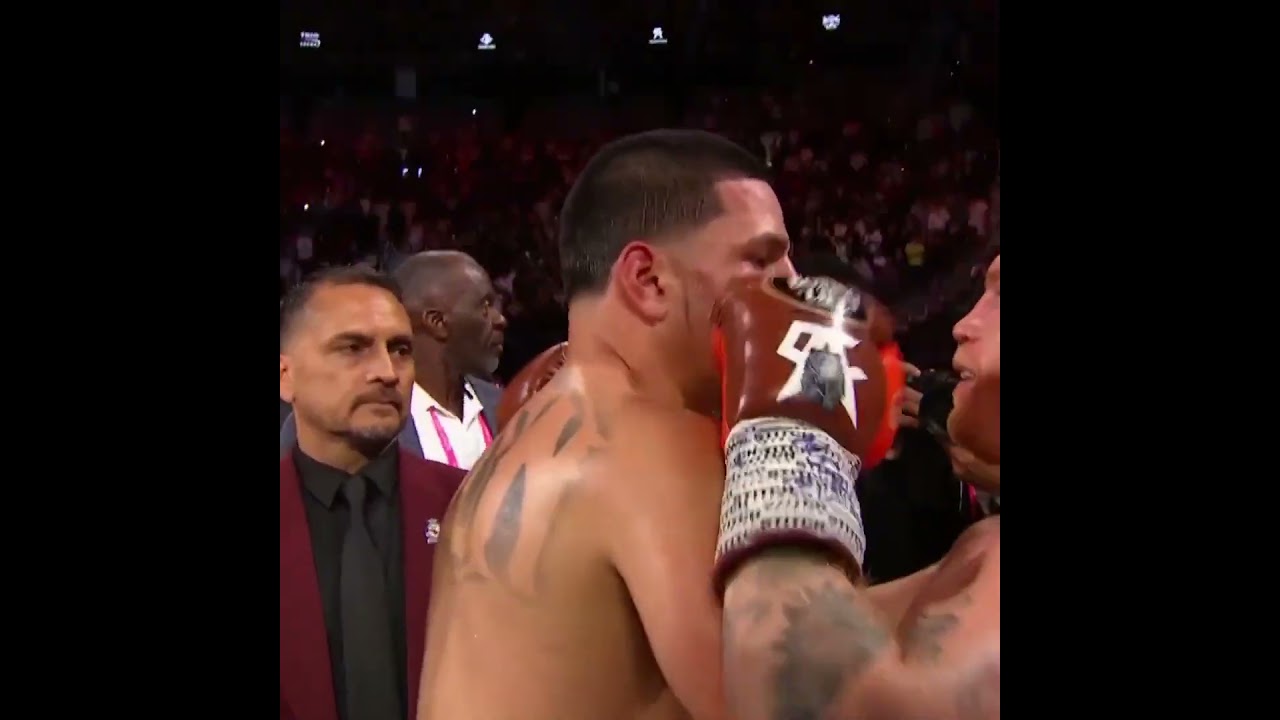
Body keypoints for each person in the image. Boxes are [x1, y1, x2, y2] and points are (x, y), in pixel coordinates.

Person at [417, 129, 798, 720]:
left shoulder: (520, 438)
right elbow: (789, 703)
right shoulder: (652, 446)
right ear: (647, 280)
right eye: (761, 258)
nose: (792, 283)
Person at [715, 256, 1001, 720]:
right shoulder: (982, 544)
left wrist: (787, 444)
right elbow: (850, 623)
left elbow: (849, 706)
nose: (963, 325)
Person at [279, 266, 466, 720]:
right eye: (353, 348)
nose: (387, 372)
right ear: (286, 376)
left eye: (400, 350)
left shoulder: (469, 503)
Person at [281, 251, 506, 470]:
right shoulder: (332, 423)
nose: (501, 319)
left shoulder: (505, 406)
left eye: (399, 349)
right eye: (354, 348)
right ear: (436, 321)